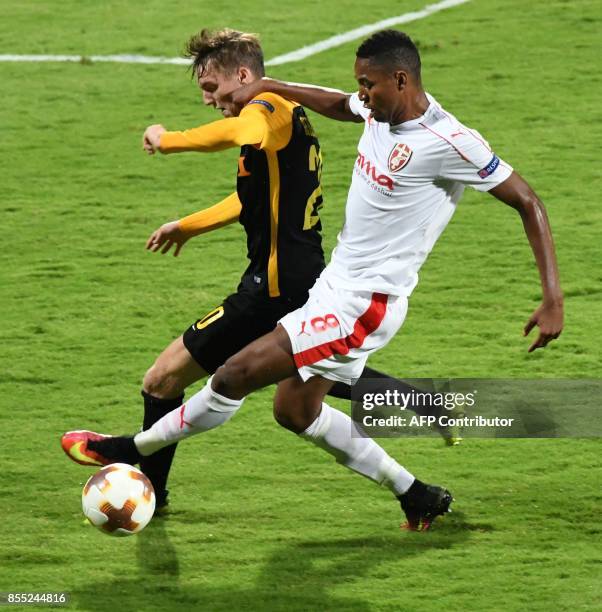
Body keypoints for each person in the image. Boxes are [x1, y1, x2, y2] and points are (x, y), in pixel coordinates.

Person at [63, 29, 563, 531]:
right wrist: (274, 84)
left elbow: (528, 201)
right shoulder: (376, 108)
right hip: (331, 283)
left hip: (367, 301)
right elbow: (340, 105)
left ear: (401, 79)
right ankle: (417, 495)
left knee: (234, 375)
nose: (362, 94)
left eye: (368, 84)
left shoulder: (450, 141)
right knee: (295, 410)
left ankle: (127, 447)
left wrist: (552, 298)